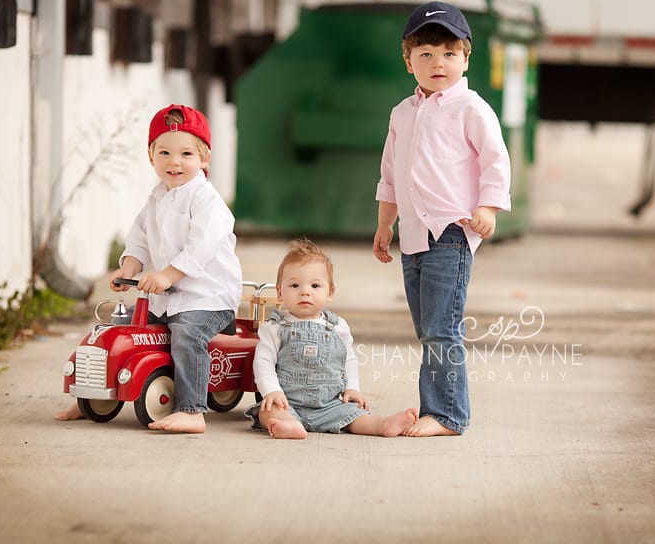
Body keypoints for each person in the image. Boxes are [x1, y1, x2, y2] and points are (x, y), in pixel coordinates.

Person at [55, 104, 243, 433]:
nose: (175, 161)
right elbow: (139, 238)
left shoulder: (206, 201)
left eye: (186, 153)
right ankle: (95, 394)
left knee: (186, 335)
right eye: (165, 152)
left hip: (207, 299)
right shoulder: (156, 199)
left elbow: (201, 248)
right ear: (151, 156)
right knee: (120, 329)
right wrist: (128, 266)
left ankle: (192, 410)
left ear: (204, 159)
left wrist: (167, 274)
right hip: (166, 297)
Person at [372, 1, 512, 437]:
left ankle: (447, 415)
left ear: (466, 58)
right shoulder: (403, 113)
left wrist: (487, 207)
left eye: (449, 53)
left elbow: (495, 162)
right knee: (426, 327)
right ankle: (440, 406)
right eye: (426, 53)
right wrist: (384, 223)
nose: (438, 63)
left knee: (440, 328)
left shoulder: (471, 109)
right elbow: (391, 173)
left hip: (452, 231)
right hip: (412, 234)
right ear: (408, 59)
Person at [245, 238, 418, 439]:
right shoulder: (274, 327)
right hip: (287, 403)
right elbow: (263, 362)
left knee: (353, 414)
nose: (305, 291)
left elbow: (349, 360)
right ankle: (289, 425)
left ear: (330, 292)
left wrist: (353, 387)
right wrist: (272, 392)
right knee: (268, 411)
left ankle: (382, 424)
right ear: (279, 292)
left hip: (331, 405)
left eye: (315, 285)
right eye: (294, 285)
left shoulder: (337, 326)